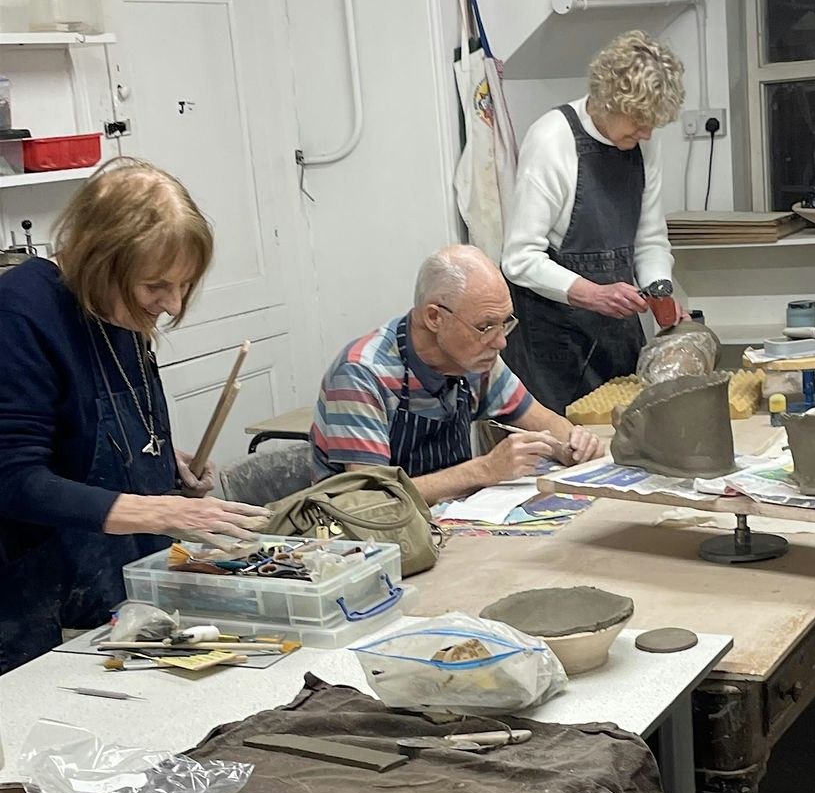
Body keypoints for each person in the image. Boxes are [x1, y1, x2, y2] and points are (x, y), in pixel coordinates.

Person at [0, 159, 270, 672]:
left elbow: (87, 432)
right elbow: (14, 479)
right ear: (97, 261)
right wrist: (166, 512)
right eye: (155, 287)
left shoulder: (116, 305)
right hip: (40, 600)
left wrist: (162, 458)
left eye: (184, 285)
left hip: (124, 581)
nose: (171, 305)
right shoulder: (20, 314)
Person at [311, 245, 603, 505]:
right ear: (435, 317)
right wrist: (485, 470)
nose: (501, 341)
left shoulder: (476, 360)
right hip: (370, 541)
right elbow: (369, 499)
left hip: (445, 519)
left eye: (505, 323)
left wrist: (571, 445)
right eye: (486, 326)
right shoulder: (362, 375)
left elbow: (543, 421)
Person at [502, 29, 687, 413]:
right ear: (606, 100)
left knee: (631, 435)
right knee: (570, 449)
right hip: (553, 339)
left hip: (615, 329)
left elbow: (650, 239)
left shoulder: (640, 144)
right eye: (638, 120)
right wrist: (592, 293)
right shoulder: (552, 140)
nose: (646, 132)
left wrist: (660, 289)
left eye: (652, 124)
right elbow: (519, 259)